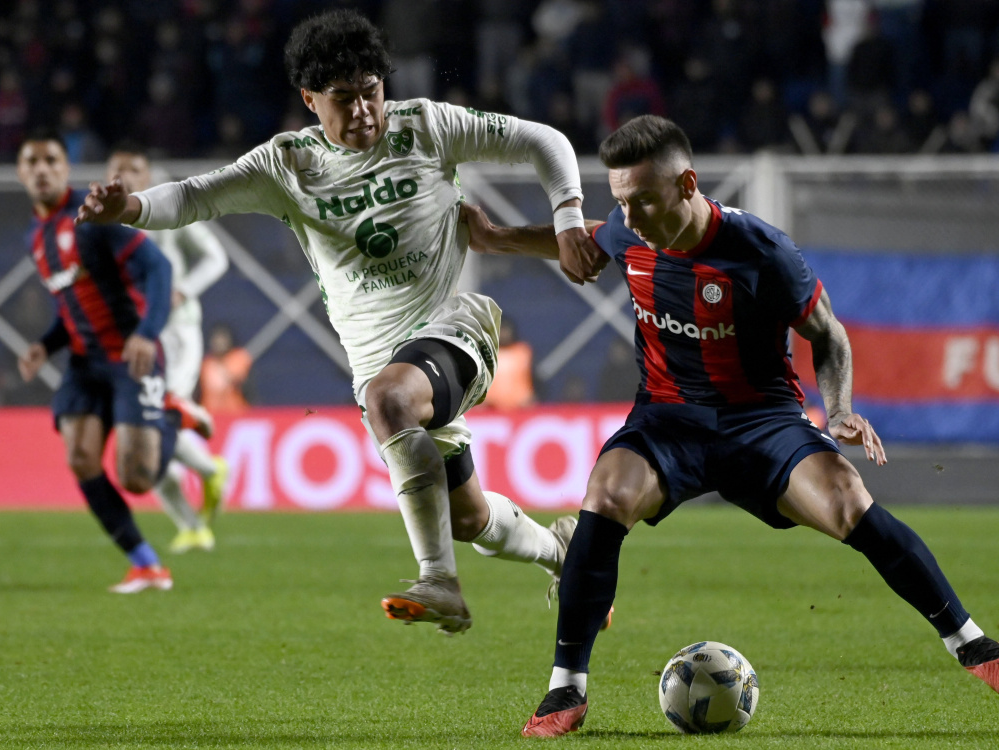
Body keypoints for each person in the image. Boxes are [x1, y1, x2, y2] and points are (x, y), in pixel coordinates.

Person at [461, 115, 999, 735]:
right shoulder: (627, 229)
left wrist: (842, 408)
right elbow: (577, 241)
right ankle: (566, 690)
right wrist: (496, 237)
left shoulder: (761, 250)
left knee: (850, 501)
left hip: (762, 421)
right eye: (620, 202)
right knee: (604, 495)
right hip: (668, 417)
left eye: (642, 201)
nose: (629, 217)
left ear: (687, 183)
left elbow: (828, 335)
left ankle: (973, 645)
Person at [76, 9, 605, 634]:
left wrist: (569, 217)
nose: (363, 112)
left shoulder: (427, 127)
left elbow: (546, 139)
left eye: (372, 91)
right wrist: (130, 207)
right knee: (468, 518)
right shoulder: (287, 165)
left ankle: (439, 582)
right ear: (309, 99)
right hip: (380, 362)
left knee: (389, 400)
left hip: (456, 330)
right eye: (343, 99)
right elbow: (195, 196)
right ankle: (562, 552)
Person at [15, 129, 209, 593]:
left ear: (66, 168)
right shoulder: (35, 237)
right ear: (21, 172)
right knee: (81, 458)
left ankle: (169, 415)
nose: (41, 169)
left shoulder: (93, 217)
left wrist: (147, 333)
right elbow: (73, 305)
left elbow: (158, 269)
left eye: (50, 161)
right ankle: (146, 564)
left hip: (130, 356)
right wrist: (46, 343)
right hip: (85, 361)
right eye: (32, 162)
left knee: (137, 479)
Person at [106, 144, 230, 554]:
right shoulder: (100, 223)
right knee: (143, 425)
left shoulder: (166, 208)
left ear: (147, 176)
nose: (125, 175)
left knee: (159, 409)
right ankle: (192, 526)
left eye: (134, 168)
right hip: (134, 335)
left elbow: (216, 257)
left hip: (176, 329)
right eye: (118, 168)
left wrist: (183, 290)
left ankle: (209, 467)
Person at [199, 323, 253, 414]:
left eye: (222, 338)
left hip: (235, 413)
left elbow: (242, 384)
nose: (219, 342)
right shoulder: (205, 363)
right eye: (216, 339)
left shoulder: (239, 358)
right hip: (210, 413)